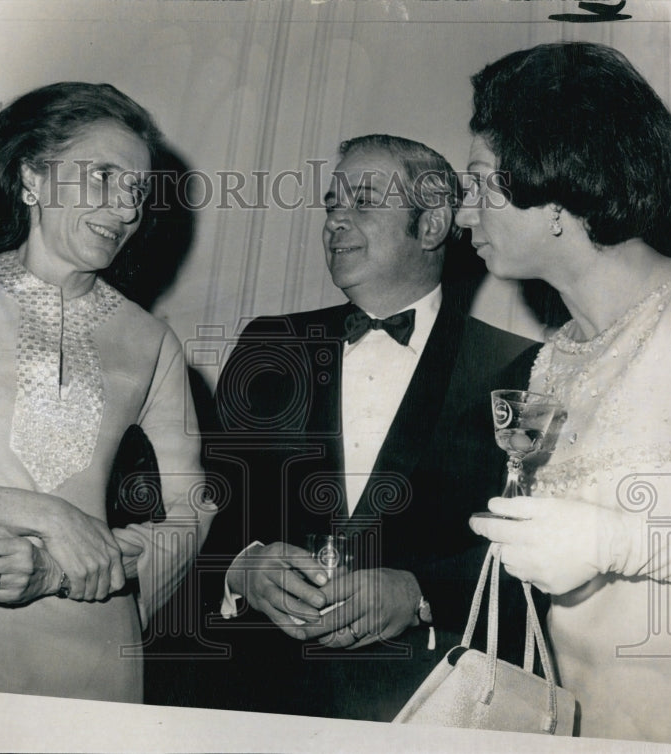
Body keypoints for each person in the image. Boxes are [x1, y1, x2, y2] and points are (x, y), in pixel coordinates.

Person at [0, 82, 216, 703]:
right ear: (32, 178)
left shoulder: (152, 340)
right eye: (101, 176)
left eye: (136, 190)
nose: (125, 208)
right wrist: (46, 515)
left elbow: (191, 509)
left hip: (93, 648)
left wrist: (67, 570)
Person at [166, 134, 540, 722]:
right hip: (250, 700)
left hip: (417, 708)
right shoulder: (271, 344)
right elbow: (194, 506)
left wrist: (421, 595)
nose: (335, 219)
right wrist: (243, 565)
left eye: (362, 201)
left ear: (433, 224)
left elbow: (532, 557)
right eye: (331, 203)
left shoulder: (521, 369)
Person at [459, 42, 671, 745]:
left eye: (479, 184)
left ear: (556, 184)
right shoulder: (553, 358)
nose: (465, 216)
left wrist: (612, 540)